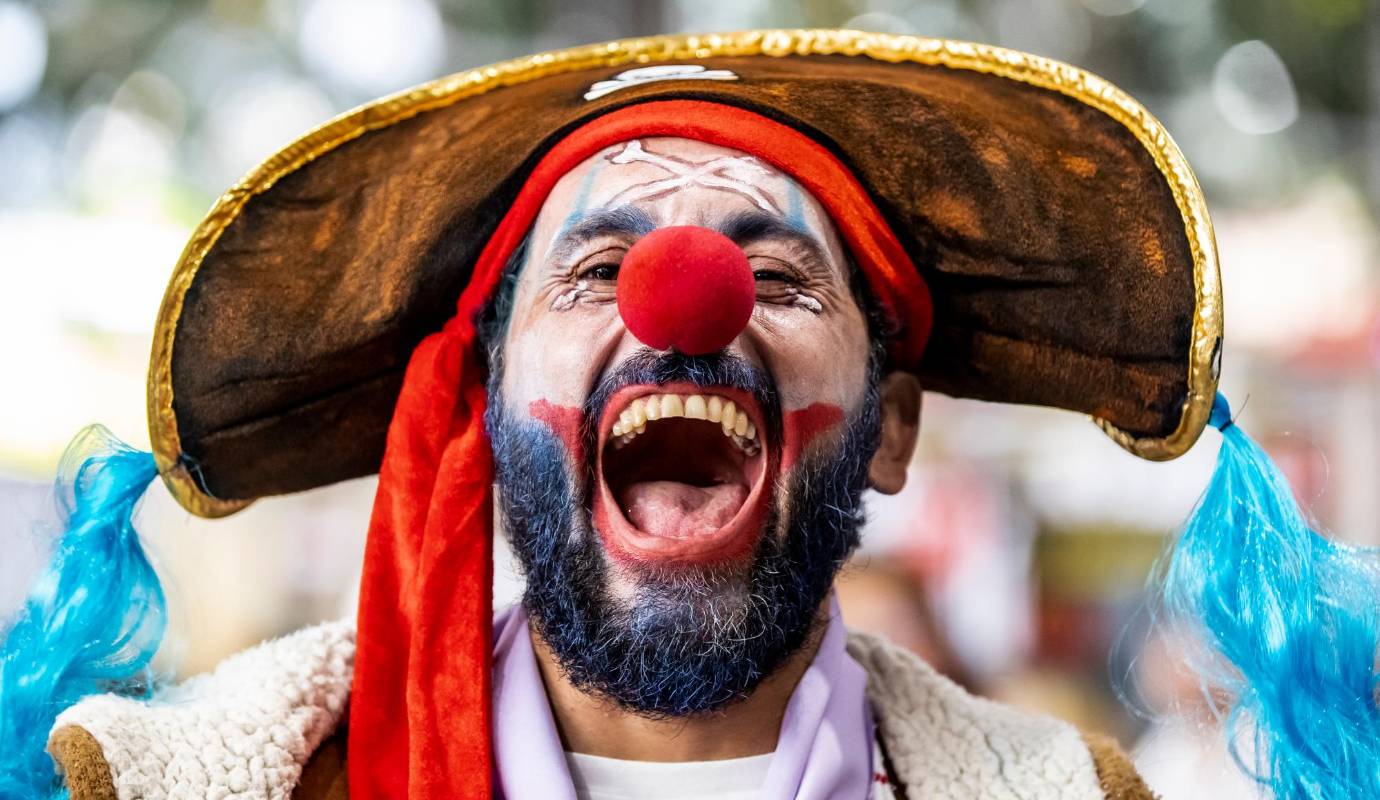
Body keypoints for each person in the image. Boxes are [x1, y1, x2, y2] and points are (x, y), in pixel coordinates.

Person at [3, 30, 1377, 800]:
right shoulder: (169, 788)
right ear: (485, 411)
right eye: (596, 269)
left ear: (890, 428)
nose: (684, 298)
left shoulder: (1071, 797)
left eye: (778, 275)